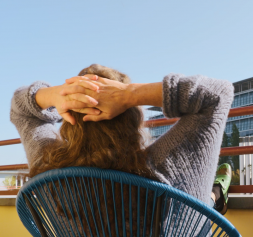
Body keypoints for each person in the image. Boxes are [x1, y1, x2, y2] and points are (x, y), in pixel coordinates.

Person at [10, 64, 233, 214]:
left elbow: (19, 110)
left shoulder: (50, 171)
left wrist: (54, 95)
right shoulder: (158, 167)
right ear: (132, 117)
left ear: (69, 120)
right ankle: (215, 197)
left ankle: (213, 196)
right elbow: (218, 93)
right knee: (199, 200)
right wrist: (129, 94)